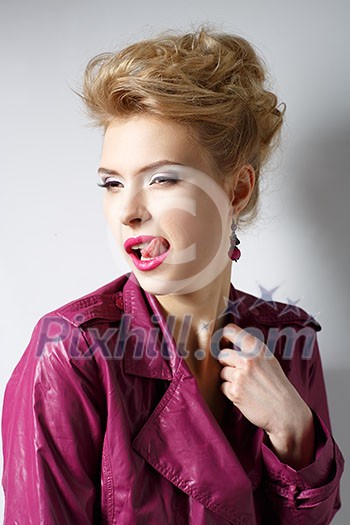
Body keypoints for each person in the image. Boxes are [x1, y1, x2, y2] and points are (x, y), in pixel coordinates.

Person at [1, 27, 344, 524]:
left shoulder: (288, 341)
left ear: (237, 191)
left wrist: (293, 430)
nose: (128, 212)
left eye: (162, 178)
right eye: (112, 183)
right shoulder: (71, 353)